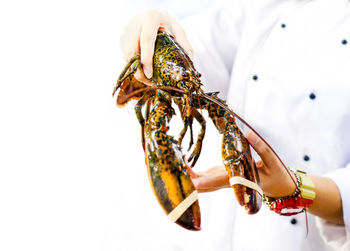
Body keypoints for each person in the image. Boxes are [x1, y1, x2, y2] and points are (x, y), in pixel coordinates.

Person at [119, 0, 350, 250]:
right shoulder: (265, 7)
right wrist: (150, 28)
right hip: (225, 231)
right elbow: (197, 47)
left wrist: (294, 188)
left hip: (309, 240)